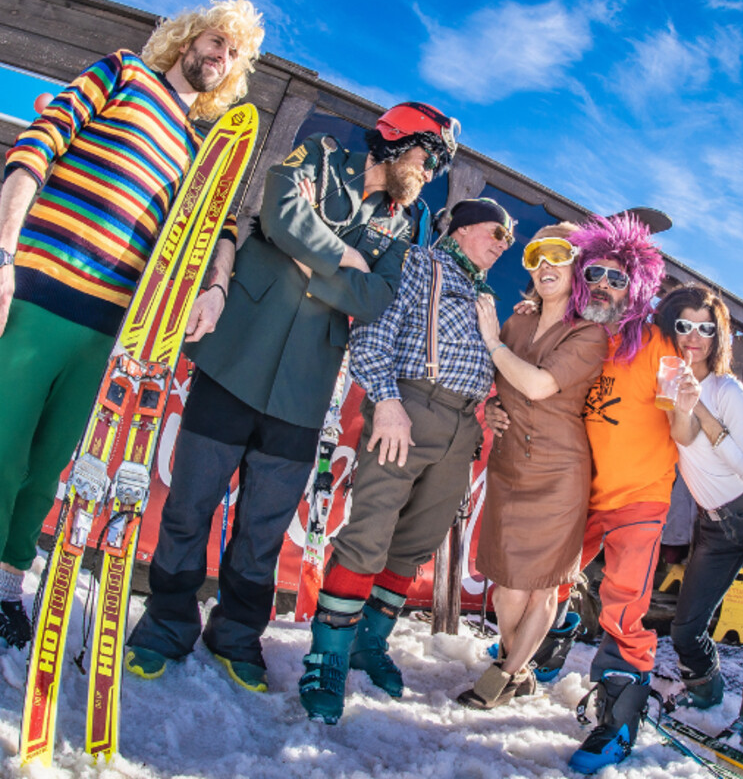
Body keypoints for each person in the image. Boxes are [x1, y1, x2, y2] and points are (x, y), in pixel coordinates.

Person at [0, 0, 265, 685]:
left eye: (234, 54)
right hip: (37, 298)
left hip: (109, 331)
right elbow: (35, 146)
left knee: (46, 472)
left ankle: (8, 591)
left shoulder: (200, 149)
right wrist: (1, 253)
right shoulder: (122, 74)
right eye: (216, 41)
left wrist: (215, 287)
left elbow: (220, 227)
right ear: (189, 38)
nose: (221, 57)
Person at [123, 102, 460, 691]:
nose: (429, 174)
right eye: (427, 158)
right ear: (396, 138)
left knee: (264, 527)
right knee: (189, 506)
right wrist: (344, 258)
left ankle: (236, 636)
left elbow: (376, 297)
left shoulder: (408, 223)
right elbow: (279, 215)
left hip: (305, 390)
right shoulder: (322, 159)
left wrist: (307, 257)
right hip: (234, 359)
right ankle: (165, 626)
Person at [298, 197, 515, 725]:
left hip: (462, 426)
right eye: (497, 232)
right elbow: (373, 332)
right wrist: (388, 403)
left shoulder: (486, 295)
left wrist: (491, 405)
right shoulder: (419, 263)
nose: (504, 244)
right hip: (410, 408)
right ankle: (327, 658)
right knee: (370, 532)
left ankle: (368, 644)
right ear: (461, 231)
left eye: (509, 239)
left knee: (417, 540)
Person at [524, 214, 676, 773]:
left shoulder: (658, 344)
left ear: (636, 285)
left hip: (639, 496)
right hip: (582, 491)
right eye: (595, 273)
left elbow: (688, 412)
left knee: (622, 607)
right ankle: (551, 639)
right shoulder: (575, 333)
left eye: (618, 277)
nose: (606, 285)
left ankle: (617, 723)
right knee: (549, 574)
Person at [455, 224, 607, 709]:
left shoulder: (590, 333)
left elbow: (540, 385)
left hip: (560, 473)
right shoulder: (517, 323)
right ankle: (518, 669)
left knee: (540, 591)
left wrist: (491, 340)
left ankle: (504, 673)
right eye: (535, 256)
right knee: (506, 590)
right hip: (509, 467)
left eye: (557, 255)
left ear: (578, 267)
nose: (545, 265)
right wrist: (491, 405)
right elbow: (495, 379)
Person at [663, 284, 743, 748]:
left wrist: (701, 407)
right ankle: (705, 691)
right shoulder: (668, 385)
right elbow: (680, 437)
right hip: (713, 525)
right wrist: (684, 403)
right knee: (685, 627)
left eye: (705, 328)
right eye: (685, 326)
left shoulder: (727, 390)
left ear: (717, 336)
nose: (693, 337)